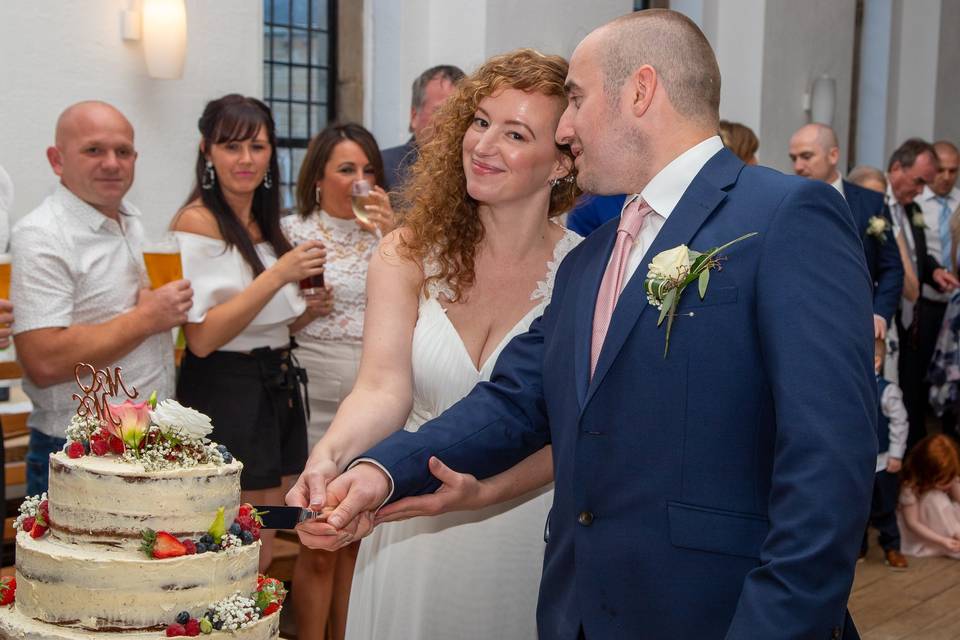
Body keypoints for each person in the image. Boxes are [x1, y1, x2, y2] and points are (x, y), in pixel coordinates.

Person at [302, 10, 877, 640]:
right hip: (583, 609)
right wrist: (379, 472)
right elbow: (517, 402)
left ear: (640, 91)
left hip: (718, 612)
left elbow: (828, 460)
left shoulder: (784, 215)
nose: (566, 128)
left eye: (574, 99)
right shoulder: (595, 258)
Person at [287, 48, 583, 640]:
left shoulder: (585, 271)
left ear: (562, 163)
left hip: (526, 523)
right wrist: (330, 457)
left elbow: (576, 427)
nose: (483, 145)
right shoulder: (407, 253)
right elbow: (382, 387)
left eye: (515, 133)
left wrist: (489, 489)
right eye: (479, 122)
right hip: (410, 514)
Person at [172, 94, 326, 571]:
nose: (246, 160)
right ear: (207, 151)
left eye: (257, 147)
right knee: (229, 529)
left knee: (270, 521)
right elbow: (201, 337)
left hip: (275, 381)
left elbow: (264, 320)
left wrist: (307, 310)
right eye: (231, 146)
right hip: (226, 386)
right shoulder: (197, 221)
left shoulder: (266, 222)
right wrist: (278, 276)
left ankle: (253, 617)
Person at [11, 101, 192, 495]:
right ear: (57, 160)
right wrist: (148, 317)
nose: (112, 163)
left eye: (123, 151)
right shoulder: (42, 234)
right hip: (80, 451)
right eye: (94, 150)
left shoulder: (130, 218)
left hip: (149, 440)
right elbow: (44, 359)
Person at [281, 123, 394, 640]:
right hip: (316, 389)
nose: (360, 180)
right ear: (319, 176)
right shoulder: (293, 231)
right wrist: (303, 314)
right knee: (318, 535)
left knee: (356, 539)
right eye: (347, 169)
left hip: (377, 394)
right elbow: (265, 328)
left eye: (368, 169)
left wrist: (394, 234)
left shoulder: (388, 232)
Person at [788, 123, 903, 338]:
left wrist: (879, 313)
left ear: (833, 155)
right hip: (804, 323)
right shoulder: (786, 202)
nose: (798, 167)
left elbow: (892, 267)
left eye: (806, 156)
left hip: (858, 323)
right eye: (793, 158)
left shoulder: (871, 203)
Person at [886, 139, 960, 451]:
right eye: (920, 180)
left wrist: (934, 271)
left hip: (926, 308)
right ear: (896, 169)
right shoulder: (877, 206)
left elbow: (919, 255)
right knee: (903, 388)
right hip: (900, 312)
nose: (922, 189)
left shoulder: (910, 207)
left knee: (922, 384)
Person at [861, 338, 909, 568]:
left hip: (882, 463)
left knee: (885, 508)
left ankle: (892, 547)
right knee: (858, 509)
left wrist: (896, 454)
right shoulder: (853, 390)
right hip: (859, 465)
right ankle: (857, 550)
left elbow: (899, 423)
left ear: (876, 362)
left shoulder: (887, 391)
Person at [380, 65, 465, 193]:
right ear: (414, 116)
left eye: (460, 112)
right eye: (442, 112)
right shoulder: (383, 167)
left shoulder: (475, 169)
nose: (452, 121)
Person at [897, 434, 960, 558]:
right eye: (942, 480)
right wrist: (943, 541)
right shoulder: (910, 487)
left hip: (945, 519)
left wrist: (954, 482)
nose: (947, 483)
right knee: (936, 498)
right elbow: (912, 523)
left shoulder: (949, 476)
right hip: (925, 532)